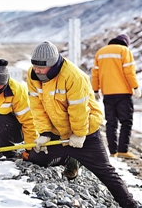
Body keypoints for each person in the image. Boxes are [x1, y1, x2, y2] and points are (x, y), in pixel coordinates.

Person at [26, 41, 139, 208]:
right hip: (57, 130)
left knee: (105, 171)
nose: (36, 70)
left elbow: (79, 111)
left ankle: (130, 204)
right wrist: (44, 132)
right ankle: (69, 157)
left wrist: (79, 134)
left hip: (85, 130)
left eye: (41, 68)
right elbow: (37, 107)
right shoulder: (33, 74)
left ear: (53, 65)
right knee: (36, 158)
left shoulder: (74, 76)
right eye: (34, 66)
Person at [91, 33, 141, 159]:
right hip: (123, 93)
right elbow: (129, 72)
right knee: (126, 122)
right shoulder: (124, 51)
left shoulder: (100, 52)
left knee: (111, 123)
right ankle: (122, 150)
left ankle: (113, 152)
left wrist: (95, 89)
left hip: (107, 94)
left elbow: (95, 74)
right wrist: (135, 87)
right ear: (126, 43)